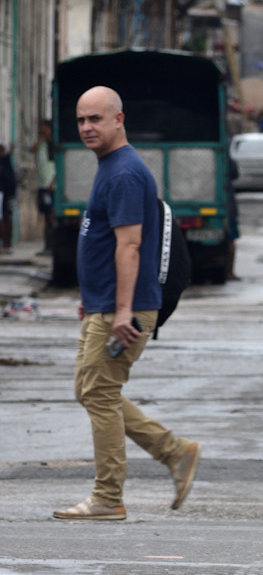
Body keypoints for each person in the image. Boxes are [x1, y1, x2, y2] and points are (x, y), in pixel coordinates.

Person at [53, 85, 201, 522]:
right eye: (81, 120)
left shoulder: (123, 173)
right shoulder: (112, 167)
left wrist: (120, 310)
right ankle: (175, 452)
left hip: (124, 308)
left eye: (95, 118)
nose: (86, 128)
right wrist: (93, 299)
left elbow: (130, 246)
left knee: (99, 393)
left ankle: (108, 496)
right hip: (104, 304)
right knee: (92, 389)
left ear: (119, 119)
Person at [29, 119, 55, 254]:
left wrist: (53, 182)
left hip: (50, 184)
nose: (41, 130)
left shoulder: (53, 144)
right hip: (42, 183)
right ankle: (47, 245)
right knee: (45, 214)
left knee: (51, 214)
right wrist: (41, 139)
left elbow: (58, 165)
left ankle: (52, 246)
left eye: (43, 127)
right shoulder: (41, 144)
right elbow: (31, 150)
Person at [0, 143, 17, 252]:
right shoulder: (6, 160)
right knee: (6, 216)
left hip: (6, 190)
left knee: (6, 216)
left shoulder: (4, 160)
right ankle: (6, 244)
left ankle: (7, 244)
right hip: (7, 190)